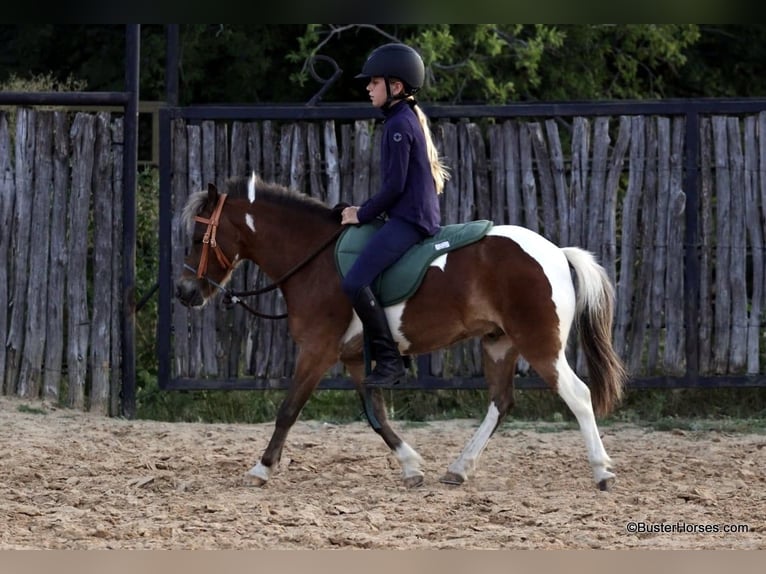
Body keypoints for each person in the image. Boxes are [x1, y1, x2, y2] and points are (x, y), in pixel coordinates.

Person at [340, 42, 450, 387]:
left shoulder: (397, 125)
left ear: (396, 87)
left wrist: (362, 213)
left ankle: (390, 360)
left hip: (410, 221)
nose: (368, 87)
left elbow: (394, 188)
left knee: (355, 281)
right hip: (408, 216)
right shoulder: (402, 119)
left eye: (374, 82)